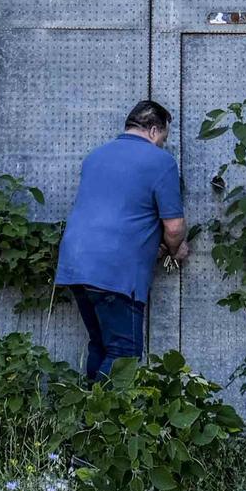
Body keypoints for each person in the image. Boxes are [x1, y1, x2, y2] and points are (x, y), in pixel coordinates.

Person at [54, 99, 188, 381]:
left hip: (76, 265)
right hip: (115, 269)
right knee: (124, 355)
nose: (162, 144)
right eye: (162, 138)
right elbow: (174, 227)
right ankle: (100, 420)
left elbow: (120, 210)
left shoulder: (96, 156)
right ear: (153, 130)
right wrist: (175, 248)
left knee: (101, 346)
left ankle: (87, 415)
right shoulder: (160, 161)